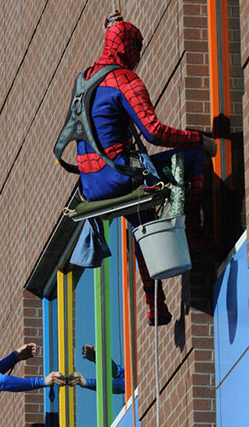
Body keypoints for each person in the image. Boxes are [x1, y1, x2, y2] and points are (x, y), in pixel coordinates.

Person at [71, 11, 217, 325]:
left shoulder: (83, 81)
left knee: (142, 222)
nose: (138, 56)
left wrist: (111, 27)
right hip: (118, 173)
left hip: (91, 184)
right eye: (137, 48)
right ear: (129, 49)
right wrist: (199, 140)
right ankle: (191, 235)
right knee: (191, 159)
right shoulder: (125, 79)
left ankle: (156, 305)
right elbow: (154, 131)